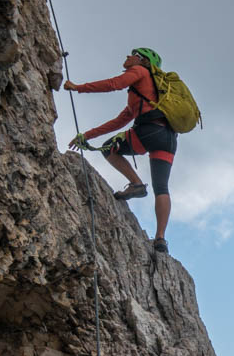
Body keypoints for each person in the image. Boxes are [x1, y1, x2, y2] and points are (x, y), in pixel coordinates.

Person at [65, 47, 176, 254]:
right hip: (167, 138)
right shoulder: (145, 97)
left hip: (148, 131)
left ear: (142, 61)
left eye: (133, 54)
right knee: (162, 187)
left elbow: (114, 84)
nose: (127, 56)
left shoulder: (140, 73)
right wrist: (86, 136)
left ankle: (136, 184)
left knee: (109, 148)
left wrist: (78, 87)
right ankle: (160, 239)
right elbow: (119, 121)